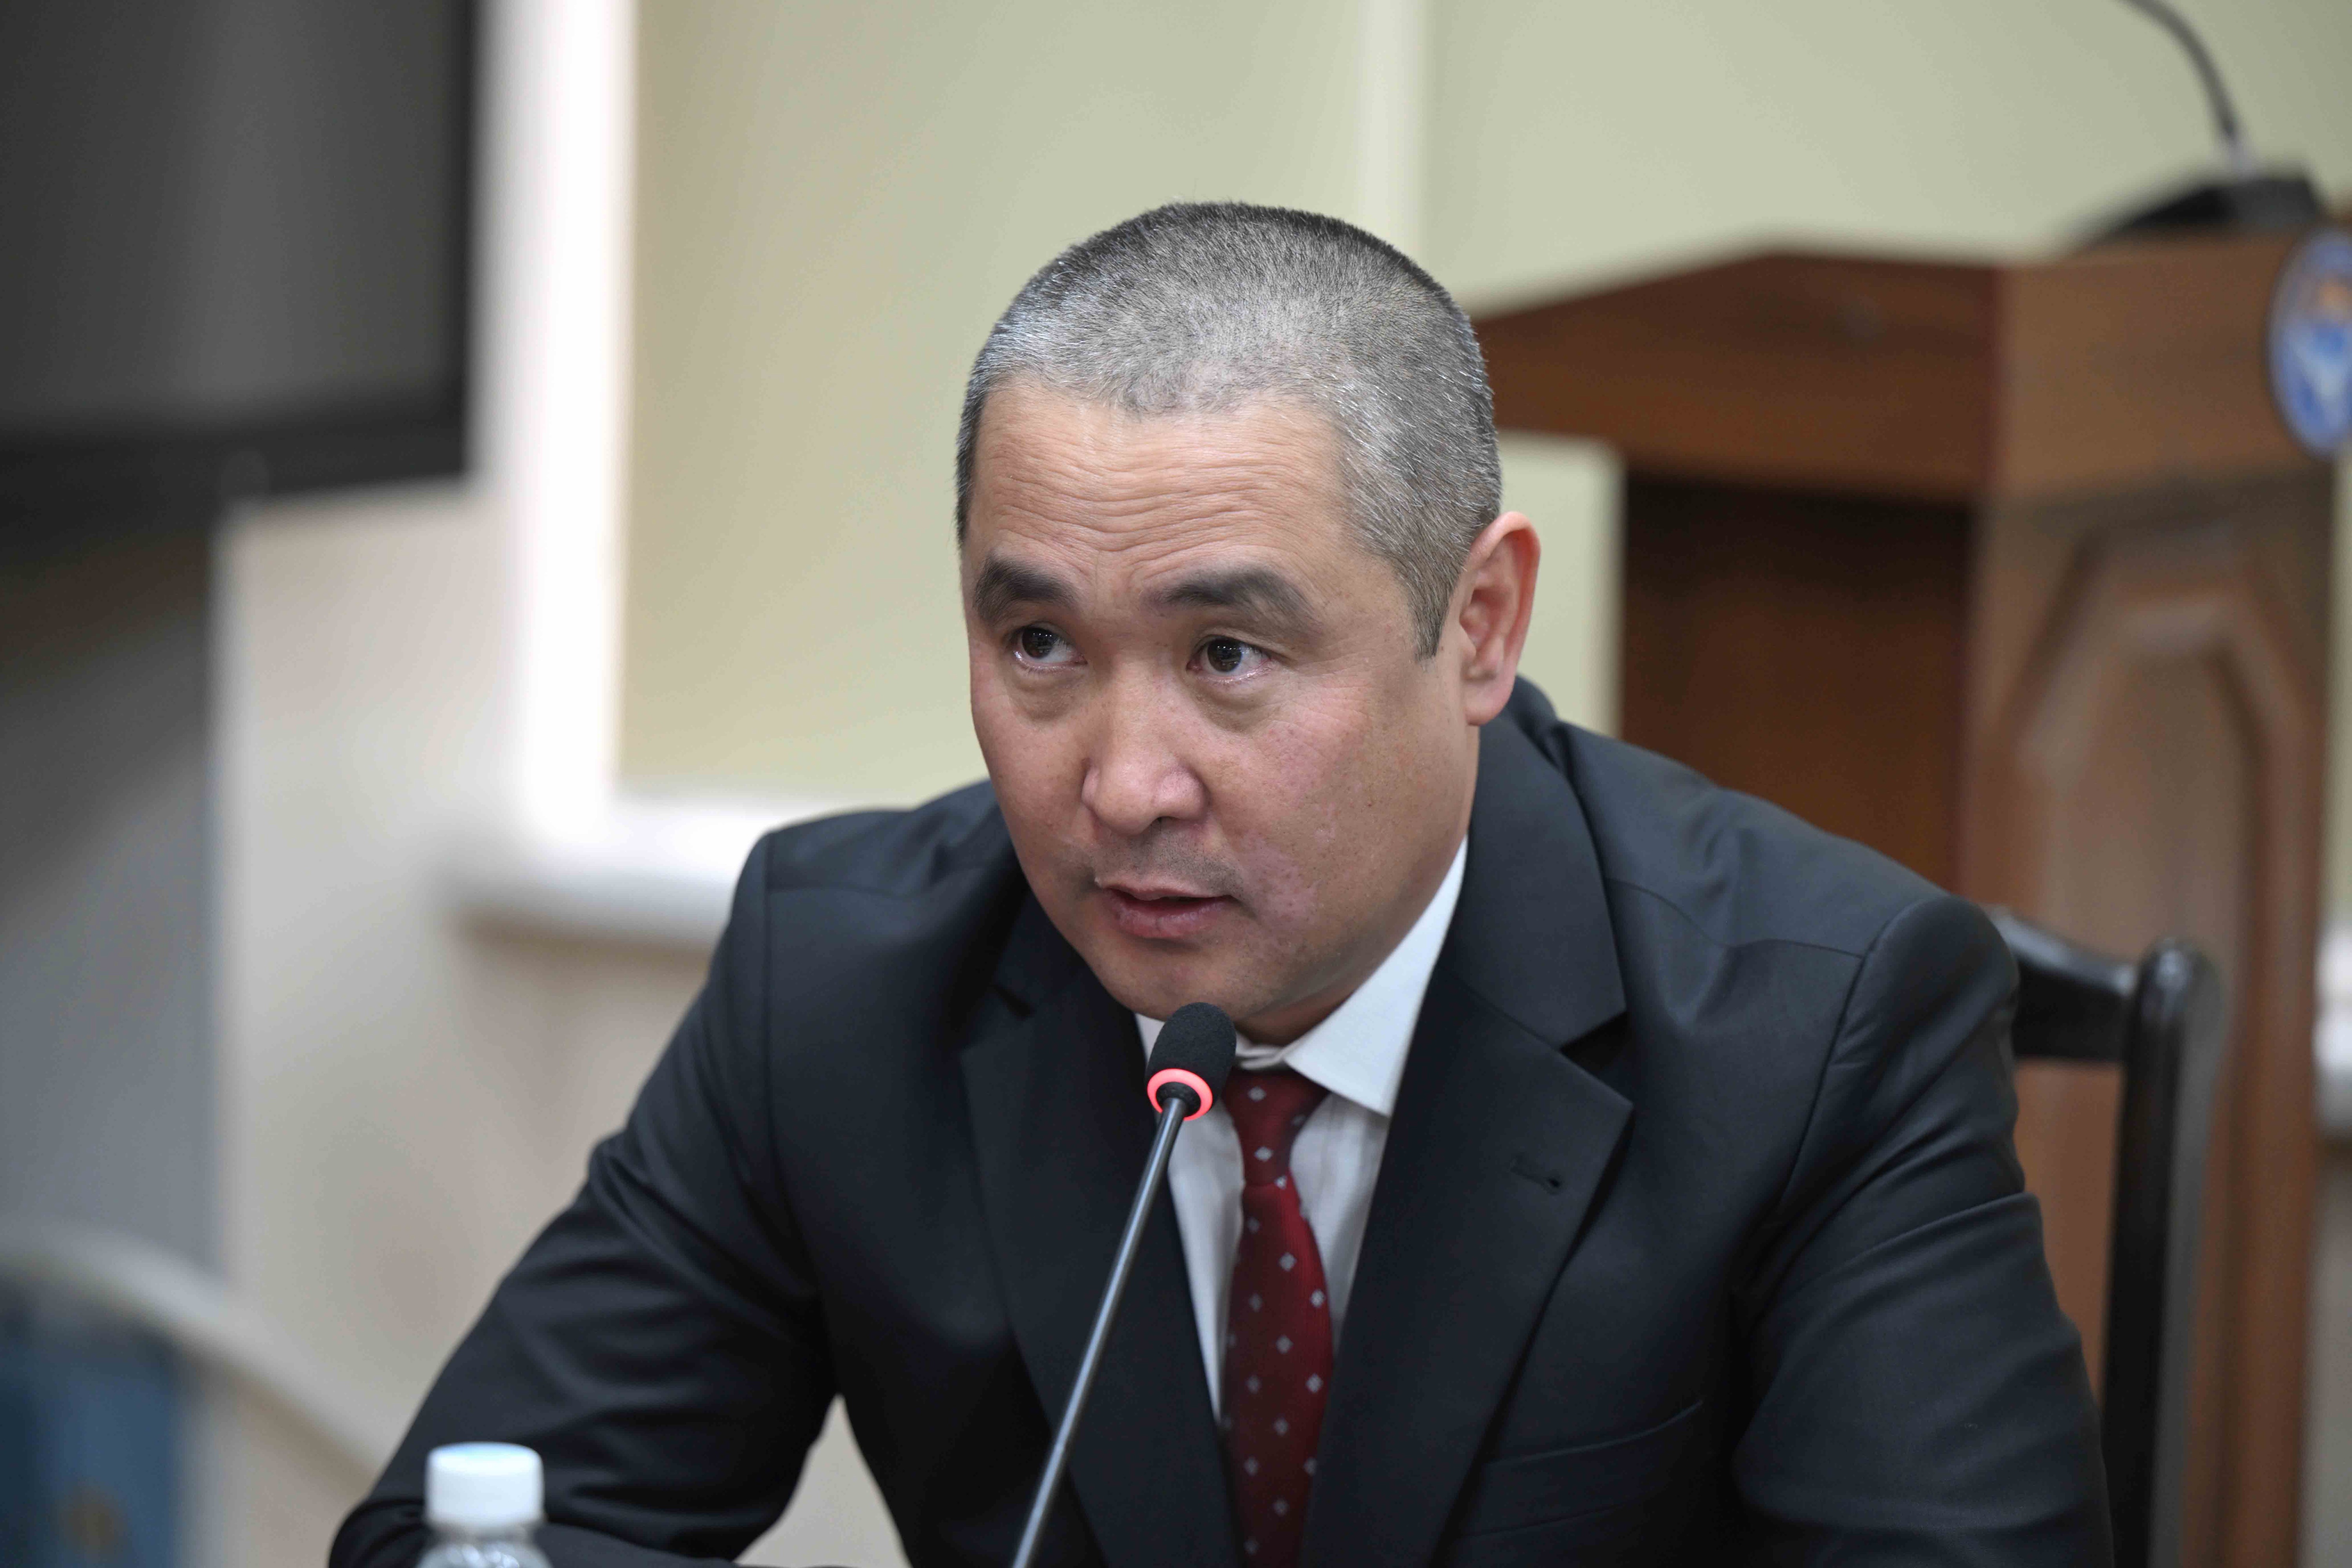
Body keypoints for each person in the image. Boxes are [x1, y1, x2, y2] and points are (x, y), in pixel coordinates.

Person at [332, 204, 2107, 1568]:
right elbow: (475, 1529)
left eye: (1231, 656)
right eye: (1039, 644)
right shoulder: (843, 979)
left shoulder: (1821, 1025)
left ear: (1479, 625)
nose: (1122, 786)